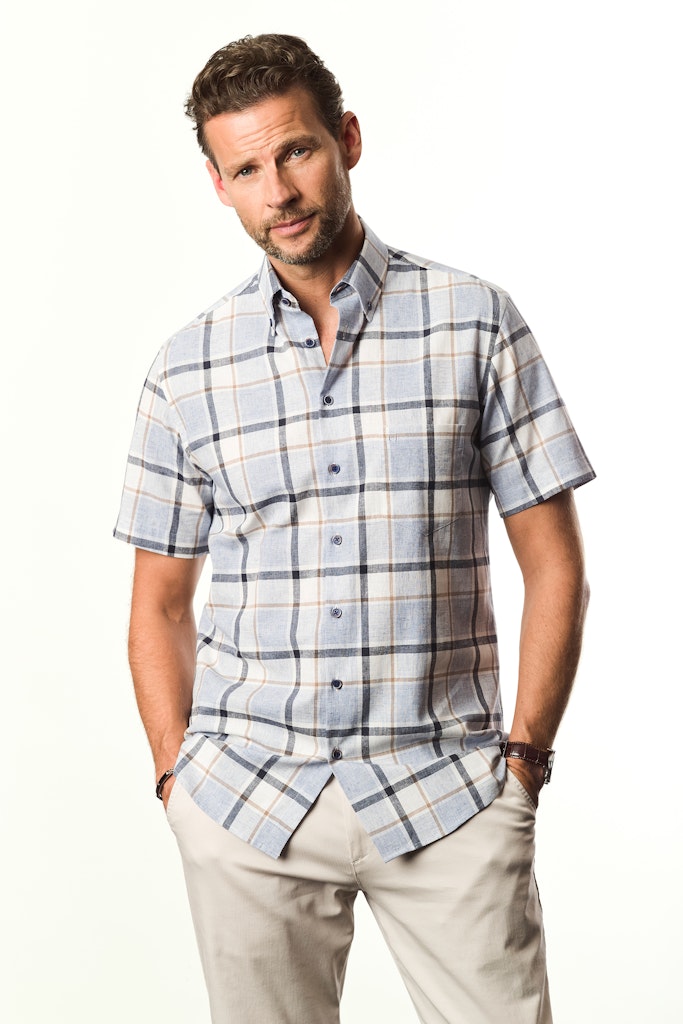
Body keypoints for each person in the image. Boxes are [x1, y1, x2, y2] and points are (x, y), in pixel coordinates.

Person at [114, 33, 595, 1024]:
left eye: (295, 151)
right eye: (247, 169)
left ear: (347, 139)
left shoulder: (473, 322)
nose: (279, 191)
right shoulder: (185, 368)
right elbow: (158, 606)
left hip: (449, 793)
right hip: (246, 805)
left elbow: (554, 566)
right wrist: (177, 783)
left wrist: (522, 766)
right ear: (218, 185)